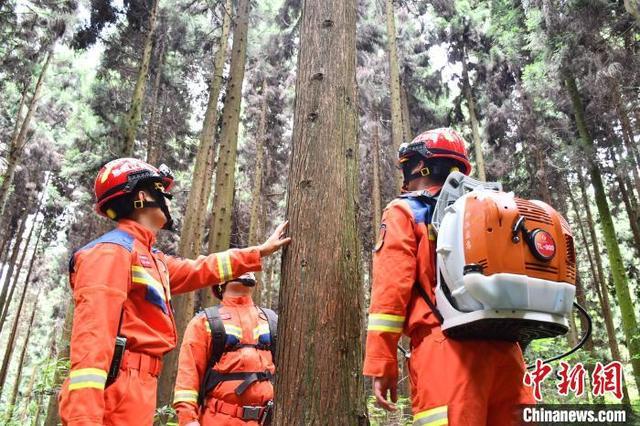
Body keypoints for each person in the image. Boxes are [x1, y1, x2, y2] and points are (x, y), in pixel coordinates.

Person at [58, 158, 290, 426]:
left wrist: (258, 252)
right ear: (143, 196)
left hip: (140, 388)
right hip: (115, 389)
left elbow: (202, 269)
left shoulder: (151, 259)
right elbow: (92, 341)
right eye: (163, 191)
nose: (169, 200)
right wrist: (82, 418)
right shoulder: (110, 252)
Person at [363, 129, 534, 425]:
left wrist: (382, 361)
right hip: (508, 352)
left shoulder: (404, 211)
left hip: (444, 352)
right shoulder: (497, 215)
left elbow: (390, 292)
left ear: (418, 166)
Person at [173, 272, 275, 426]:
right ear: (220, 284)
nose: (246, 269)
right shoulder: (204, 322)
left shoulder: (271, 320)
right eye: (238, 266)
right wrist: (188, 420)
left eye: (248, 267)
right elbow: (187, 378)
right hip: (219, 419)